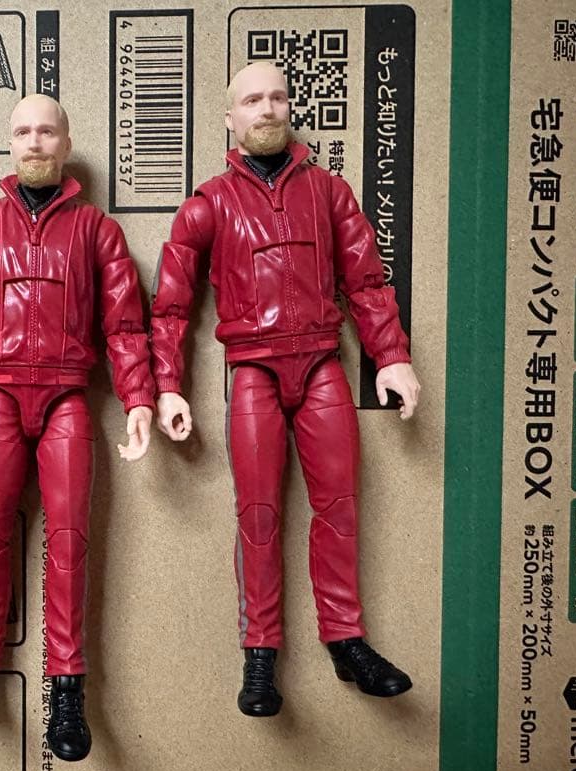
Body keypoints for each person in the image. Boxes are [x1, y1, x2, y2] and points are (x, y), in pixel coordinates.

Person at [151, 63, 420, 716]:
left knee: (340, 505)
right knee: (258, 514)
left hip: (322, 363)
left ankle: (346, 639)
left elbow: (366, 281)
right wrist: (166, 386)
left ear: (289, 108)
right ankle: (260, 653)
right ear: (231, 117)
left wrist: (391, 356)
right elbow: (171, 307)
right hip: (254, 370)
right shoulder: (208, 203)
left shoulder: (329, 193)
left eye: (276, 97)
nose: (266, 109)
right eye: (251, 100)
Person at [0, 94, 155, 761]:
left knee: (70, 542)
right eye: (23, 131)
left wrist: (138, 399)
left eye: (47, 131)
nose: (34, 142)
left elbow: (125, 328)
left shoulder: (97, 232)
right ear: (9, 142)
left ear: (66, 142)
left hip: (67, 401)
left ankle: (68, 687)